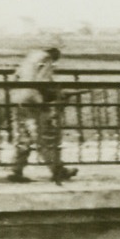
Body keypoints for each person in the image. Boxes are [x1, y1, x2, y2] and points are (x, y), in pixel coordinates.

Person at [8, 46, 78, 183]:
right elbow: (42, 81)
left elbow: (15, 78)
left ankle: (16, 170)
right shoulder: (46, 59)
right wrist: (58, 93)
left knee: (24, 135)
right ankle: (58, 170)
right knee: (45, 136)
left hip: (18, 99)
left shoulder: (29, 59)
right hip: (34, 101)